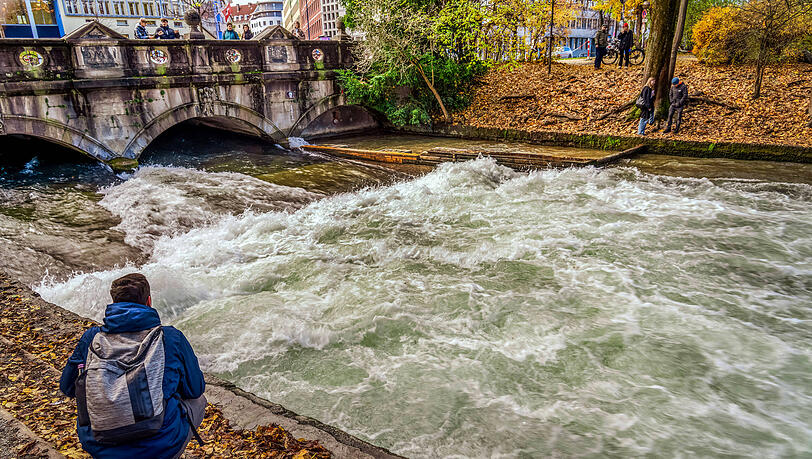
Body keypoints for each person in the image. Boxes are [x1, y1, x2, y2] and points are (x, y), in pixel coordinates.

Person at [60, 273, 206, 459]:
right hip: (160, 446)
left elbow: (67, 387)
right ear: (149, 302)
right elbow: (195, 389)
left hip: (99, 444)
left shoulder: (92, 338)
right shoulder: (170, 337)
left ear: (113, 303)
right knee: (198, 401)